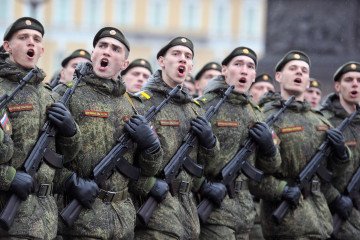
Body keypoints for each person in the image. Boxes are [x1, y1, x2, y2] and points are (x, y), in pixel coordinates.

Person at [56, 27, 161, 239]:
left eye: (115, 49)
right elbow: (44, 156)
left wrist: (151, 148)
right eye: (102, 46)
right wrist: (70, 181)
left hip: (122, 220)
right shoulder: (66, 94)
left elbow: (146, 172)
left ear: (124, 63)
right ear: (93, 54)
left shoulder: (133, 105)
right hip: (81, 219)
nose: (107, 51)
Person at [250, 50, 350, 240]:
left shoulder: (318, 121)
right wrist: (281, 189)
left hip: (321, 221)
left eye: (304, 70)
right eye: (293, 69)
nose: (299, 73)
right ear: (279, 76)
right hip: (287, 223)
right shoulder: (266, 118)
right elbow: (253, 176)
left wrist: (341, 155)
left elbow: (333, 173)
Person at [128, 36, 219, 239]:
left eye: (188, 56)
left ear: (192, 65)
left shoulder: (194, 109)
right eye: (176, 54)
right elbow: (124, 165)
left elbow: (210, 167)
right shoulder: (141, 104)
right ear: (161, 61)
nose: (183, 60)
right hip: (155, 216)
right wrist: (149, 185)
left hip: (188, 215)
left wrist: (210, 143)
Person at [0, 17, 79, 239]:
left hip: (45, 220)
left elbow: (67, 156)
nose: (31, 43)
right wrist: (8, 177)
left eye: (36, 39)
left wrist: (70, 131)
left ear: (43, 49)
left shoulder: (49, 95)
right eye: (23, 38)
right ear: (7, 46)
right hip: (9, 217)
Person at [197, 47, 280, 240]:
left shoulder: (256, 112)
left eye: (250, 66)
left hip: (244, 213)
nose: (244, 70)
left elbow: (271, 166)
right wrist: (203, 186)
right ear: (224, 70)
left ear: (254, 76)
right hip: (214, 210)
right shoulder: (204, 106)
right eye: (238, 64)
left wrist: (269, 148)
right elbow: (188, 160)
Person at [320, 61, 360, 240]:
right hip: (333, 210)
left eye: (359, 80)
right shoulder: (325, 122)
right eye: (349, 80)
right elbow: (316, 173)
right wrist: (335, 199)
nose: (355, 84)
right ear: (337, 86)